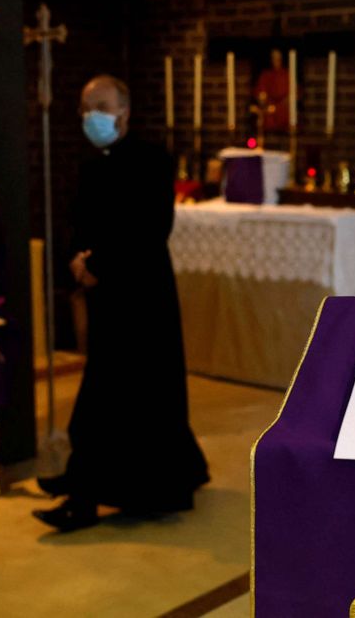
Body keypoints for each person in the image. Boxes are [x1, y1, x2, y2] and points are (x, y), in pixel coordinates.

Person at [33, 75, 209, 532]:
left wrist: (100, 264)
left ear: (125, 111)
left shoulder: (152, 160)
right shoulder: (92, 166)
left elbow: (149, 227)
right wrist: (77, 259)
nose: (92, 114)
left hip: (143, 293)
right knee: (108, 391)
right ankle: (86, 484)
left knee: (134, 393)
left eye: (102, 105)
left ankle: (89, 491)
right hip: (108, 295)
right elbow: (81, 222)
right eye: (86, 106)